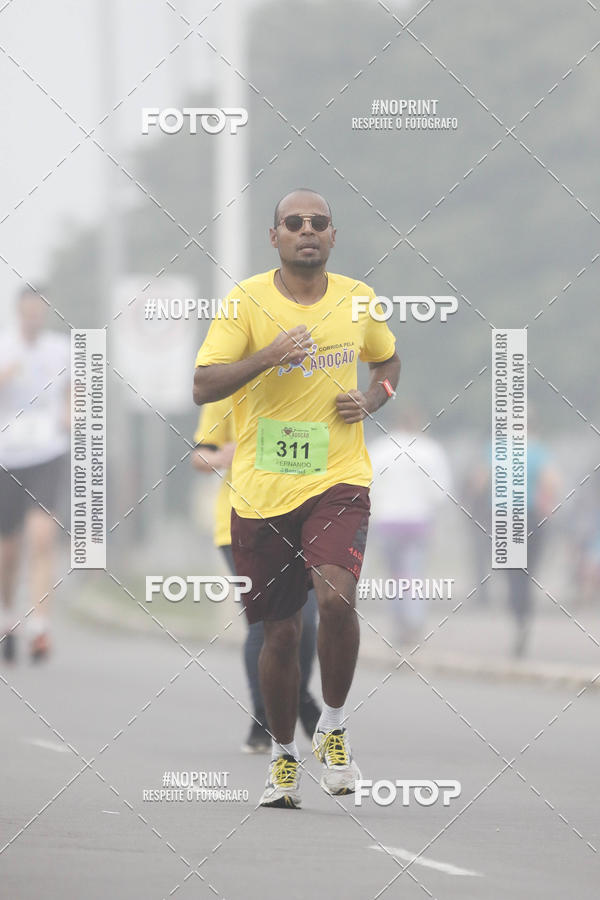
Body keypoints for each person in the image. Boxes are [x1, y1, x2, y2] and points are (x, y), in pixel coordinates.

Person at [193, 188, 400, 809]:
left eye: (319, 222)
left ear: (333, 235)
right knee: (279, 634)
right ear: (274, 236)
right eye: (294, 222)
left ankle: (331, 727)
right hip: (262, 492)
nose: (307, 230)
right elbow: (202, 385)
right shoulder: (245, 301)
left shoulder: (358, 299)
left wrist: (373, 399)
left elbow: (388, 364)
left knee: (335, 598)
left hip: (338, 478)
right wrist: (270, 355)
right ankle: (283, 755)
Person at [191, 396, 321, 752]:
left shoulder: (309, 390)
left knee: (307, 622)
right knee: (265, 623)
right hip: (242, 524)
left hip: (300, 521)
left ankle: (296, 700)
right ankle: (267, 718)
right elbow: (199, 456)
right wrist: (222, 457)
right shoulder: (232, 390)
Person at [0, 286, 70, 662]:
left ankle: (40, 626)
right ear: (18, 312)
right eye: (28, 313)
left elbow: (76, 390)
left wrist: (71, 412)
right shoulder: (4, 346)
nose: (33, 320)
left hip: (47, 450)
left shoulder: (61, 349)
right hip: (8, 456)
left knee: (42, 537)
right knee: (8, 548)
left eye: (39, 313)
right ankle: (6, 615)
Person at [368, 406, 452, 643]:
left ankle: (400, 622)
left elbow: (367, 484)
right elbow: (440, 492)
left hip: (386, 521)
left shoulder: (380, 449)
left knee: (394, 575)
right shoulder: (430, 450)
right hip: (418, 521)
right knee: (413, 575)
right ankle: (413, 620)